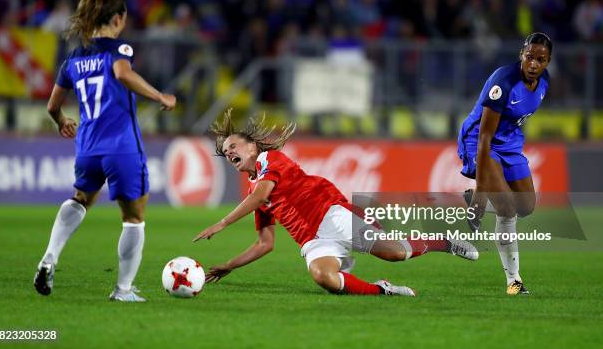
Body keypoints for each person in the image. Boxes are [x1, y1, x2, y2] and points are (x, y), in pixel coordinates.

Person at [194, 110, 478, 296]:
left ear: (252, 148)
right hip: (312, 242)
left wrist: (222, 223)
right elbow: (265, 243)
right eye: (225, 150)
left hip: (332, 216)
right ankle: (384, 291)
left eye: (233, 146)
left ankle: (444, 242)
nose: (228, 151)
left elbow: (260, 196)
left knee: (395, 253)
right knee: (324, 277)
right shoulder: (256, 192)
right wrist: (229, 265)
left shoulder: (271, 160)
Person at [33, 0, 176, 302]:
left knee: (80, 198)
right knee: (134, 218)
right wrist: (159, 96)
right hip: (121, 146)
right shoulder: (119, 48)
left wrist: (61, 122)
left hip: (87, 146)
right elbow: (123, 73)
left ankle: (49, 257)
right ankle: (123, 290)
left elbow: (52, 106)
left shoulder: (74, 57)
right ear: (118, 18)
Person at [457, 32, 553, 296]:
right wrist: (482, 185)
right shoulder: (504, 82)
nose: (534, 64)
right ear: (521, 54)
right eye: (530, 57)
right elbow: (485, 136)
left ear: (547, 62)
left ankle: (480, 200)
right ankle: (514, 281)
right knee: (508, 210)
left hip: (509, 143)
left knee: (526, 206)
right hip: (481, 140)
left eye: (541, 59)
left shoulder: (544, 82)